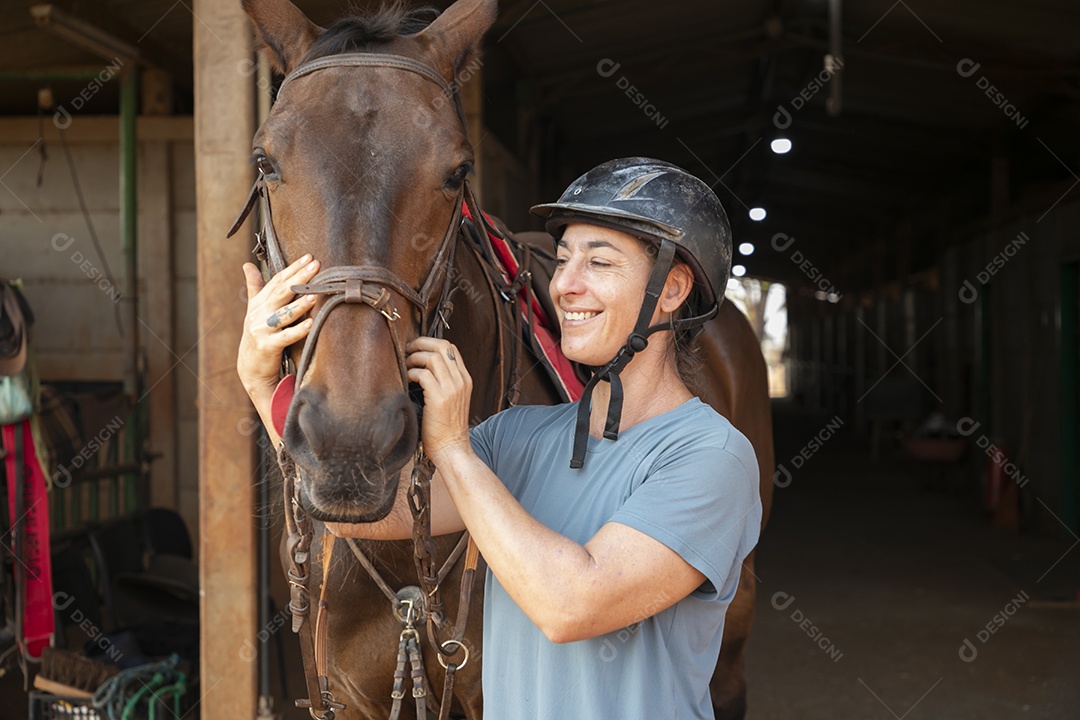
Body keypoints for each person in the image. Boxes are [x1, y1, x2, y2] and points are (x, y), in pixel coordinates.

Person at [238, 157, 761, 720]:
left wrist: (454, 450)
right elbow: (362, 513)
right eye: (562, 261)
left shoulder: (712, 457)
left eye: (599, 263)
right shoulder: (516, 436)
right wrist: (265, 385)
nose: (564, 285)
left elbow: (570, 606)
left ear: (673, 288)